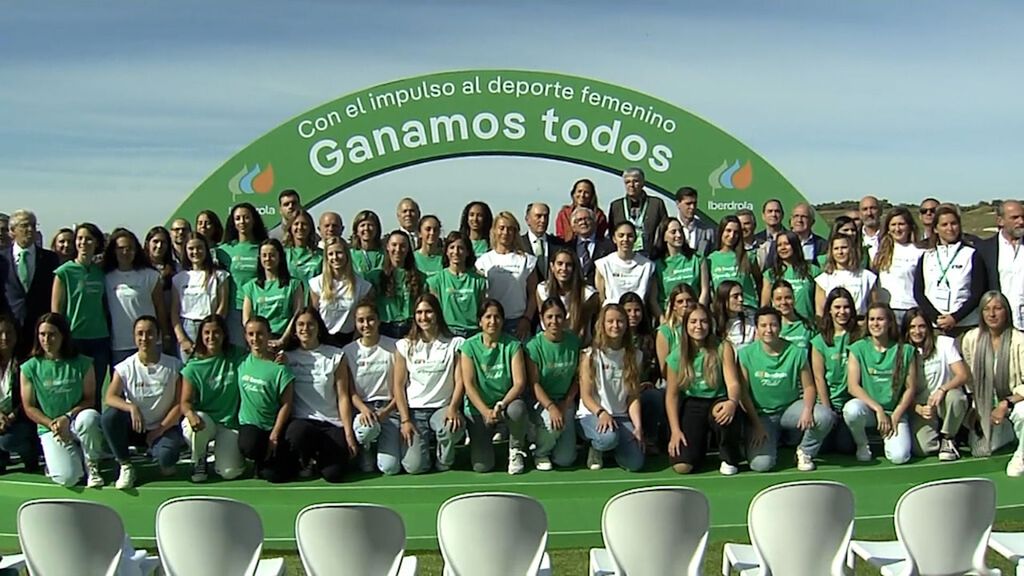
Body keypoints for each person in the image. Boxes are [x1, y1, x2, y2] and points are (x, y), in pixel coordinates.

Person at [665, 304, 759, 475]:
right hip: (693, 403)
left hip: (719, 399)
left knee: (723, 413)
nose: (698, 326)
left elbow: (733, 382)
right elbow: (671, 396)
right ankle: (699, 451)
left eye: (703, 321)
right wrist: (675, 430)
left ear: (710, 324)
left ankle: (729, 457)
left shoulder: (723, 347)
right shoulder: (676, 356)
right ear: (685, 325)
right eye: (693, 322)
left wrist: (732, 402)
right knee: (682, 467)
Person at [739, 307, 834, 472]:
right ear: (757, 328)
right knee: (761, 465)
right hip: (762, 416)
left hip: (789, 410)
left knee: (825, 416)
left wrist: (807, 409)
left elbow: (809, 386)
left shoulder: (795, 352)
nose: (769, 330)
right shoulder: (745, 354)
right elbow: (744, 395)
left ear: (780, 326)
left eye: (773, 325)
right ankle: (774, 439)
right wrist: (756, 425)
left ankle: (805, 451)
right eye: (763, 325)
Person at [20, 313, 104, 487]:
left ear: (63, 335)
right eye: (42, 335)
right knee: (69, 478)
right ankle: (59, 463)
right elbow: (29, 407)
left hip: (74, 420)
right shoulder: (29, 367)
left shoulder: (83, 363)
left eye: (52, 334)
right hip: (50, 428)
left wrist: (67, 418)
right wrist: (52, 424)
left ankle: (92, 465)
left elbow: (89, 399)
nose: (46, 340)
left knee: (90, 418)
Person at [101, 316, 184, 489]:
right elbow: (109, 397)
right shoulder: (125, 367)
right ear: (134, 337)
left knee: (166, 458)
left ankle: (159, 454)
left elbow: (179, 404)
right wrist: (131, 407)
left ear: (158, 336)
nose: (144, 338)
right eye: (140, 334)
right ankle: (125, 464)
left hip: (162, 427)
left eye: (150, 333)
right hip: (135, 426)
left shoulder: (174, 365)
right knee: (110, 417)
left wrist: (159, 430)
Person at [391, 294, 467, 474]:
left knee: (449, 428)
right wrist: (405, 420)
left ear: (437, 314)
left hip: (443, 408)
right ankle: (424, 455)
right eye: (419, 312)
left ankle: (444, 459)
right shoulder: (404, 345)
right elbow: (398, 386)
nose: (423, 317)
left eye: (428, 312)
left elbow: (460, 381)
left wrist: (453, 408)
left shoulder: (455, 343)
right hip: (415, 412)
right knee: (414, 467)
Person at [283, 307, 356, 483]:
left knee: (334, 475)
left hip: (331, 423)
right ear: (294, 329)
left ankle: (320, 458)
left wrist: (348, 433)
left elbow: (343, 396)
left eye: (310, 324)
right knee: (296, 434)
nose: (305, 329)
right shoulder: (286, 358)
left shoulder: (335, 355)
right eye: (300, 324)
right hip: (303, 422)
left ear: (318, 327)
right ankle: (305, 459)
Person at [460, 299, 529, 474]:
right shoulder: (468, 347)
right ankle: (485, 436)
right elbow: (468, 384)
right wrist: (485, 411)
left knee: (518, 410)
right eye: (487, 317)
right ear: (480, 321)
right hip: (479, 409)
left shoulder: (513, 345)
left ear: (503, 320)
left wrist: (501, 405)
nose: (493, 321)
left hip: (505, 404)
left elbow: (519, 383)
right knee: (482, 466)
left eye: (497, 317)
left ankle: (515, 449)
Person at [844, 303, 918, 464]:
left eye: (880, 319)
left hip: (894, 411)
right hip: (870, 410)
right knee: (851, 410)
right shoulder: (858, 348)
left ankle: (885, 436)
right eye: (871, 319)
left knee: (900, 457)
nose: (875, 323)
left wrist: (897, 414)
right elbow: (853, 386)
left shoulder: (905, 350)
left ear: (890, 322)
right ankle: (863, 444)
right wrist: (878, 409)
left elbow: (910, 388)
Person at [960, 291, 1024, 475]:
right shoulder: (971, 338)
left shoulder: (1019, 340)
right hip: (986, 405)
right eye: (987, 309)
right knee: (983, 450)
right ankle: (1011, 434)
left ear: (1007, 312)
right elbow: (970, 378)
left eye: (997, 308)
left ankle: (1021, 455)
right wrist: (977, 407)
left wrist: (1007, 403)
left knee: (1023, 412)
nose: (992, 314)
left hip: (1014, 402)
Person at [576, 303, 644, 472]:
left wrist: (638, 426)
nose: (615, 325)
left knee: (635, 463)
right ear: (602, 324)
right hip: (593, 414)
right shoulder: (590, 355)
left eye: (620, 321)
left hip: (620, 415)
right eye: (610, 321)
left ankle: (614, 448)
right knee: (607, 439)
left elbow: (633, 396)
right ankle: (597, 447)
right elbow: (586, 396)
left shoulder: (636, 355)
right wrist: (602, 413)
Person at [179, 314, 244, 483]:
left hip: (229, 423)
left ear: (224, 334)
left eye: (216, 332)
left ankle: (220, 451)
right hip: (205, 421)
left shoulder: (237, 355)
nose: (211, 337)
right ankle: (199, 458)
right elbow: (184, 402)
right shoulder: (193, 366)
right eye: (207, 333)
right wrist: (190, 414)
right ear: (201, 336)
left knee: (230, 472)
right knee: (192, 424)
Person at [902, 308, 968, 461]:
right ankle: (949, 431)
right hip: (921, 407)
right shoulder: (902, 351)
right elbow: (899, 390)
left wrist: (942, 389)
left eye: (922, 326)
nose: (917, 331)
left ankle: (949, 437)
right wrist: (917, 408)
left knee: (956, 397)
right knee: (923, 449)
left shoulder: (944, 343)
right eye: (912, 327)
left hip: (944, 399)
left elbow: (962, 375)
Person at [52, 222, 111, 392]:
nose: (83, 243)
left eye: (88, 239)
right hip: (74, 338)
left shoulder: (100, 272)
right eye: (79, 238)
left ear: (97, 243)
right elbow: (56, 311)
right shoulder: (63, 272)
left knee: (96, 389)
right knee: (76, 390)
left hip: (99, 339)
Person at [237, 316, 295, 482]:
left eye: (260, 334)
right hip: (250, 425)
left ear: (269, 335)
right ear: (246, 337)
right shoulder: (240, 361)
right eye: (251, 334)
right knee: (249, 446)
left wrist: (275, 434)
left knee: (275, 476)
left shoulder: (280, 368)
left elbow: (286, 404)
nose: (255, 338)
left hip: (272, 426)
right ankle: (259, 459)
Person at [343, 301, 399, 474]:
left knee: (390, 468)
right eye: (361, 320)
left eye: (370, 319)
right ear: (355, 323)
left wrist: (386, 411)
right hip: (363, 409)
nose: (366, 324)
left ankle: (380, 445)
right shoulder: (348, 350)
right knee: (367, 433)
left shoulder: (395, 346)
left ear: (379, 320)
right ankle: (366, 446)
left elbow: (401, 387)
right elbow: (350, 390)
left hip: (389, 409)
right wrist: (363, 410)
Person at [913, 204, 985, 335]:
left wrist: (955, 318)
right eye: (944, 225)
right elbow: (918, 292)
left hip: (965, 325)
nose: (950, 228)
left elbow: (978, 292)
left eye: (954, 224)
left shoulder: (971, 254)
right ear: (935, 229)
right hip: (935, 325)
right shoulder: (927, 256)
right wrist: (936, 318)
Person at [525, 298, 580, 471]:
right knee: (552, 423)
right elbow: (534, 383)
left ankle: (551, 439)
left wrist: (565, 403)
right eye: (549, 317)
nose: (554, 321)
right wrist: (551, 407)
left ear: (565, 317)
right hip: (541, 401)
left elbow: (578, 379)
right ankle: (540, 451)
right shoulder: (534, 346)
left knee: (565, 460)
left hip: (566, 401)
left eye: (558, 316)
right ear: (542, 318)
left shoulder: (574, 342)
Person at [1, 210, 59, 359]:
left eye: (33, 225)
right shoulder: (2, 260)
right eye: (25, 226)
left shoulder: (50, 259)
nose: (30, 230)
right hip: (11, 331)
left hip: (40, 331)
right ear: (12, 231)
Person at [103, 229, 166, 365]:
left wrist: (165, 335)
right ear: (114, 250)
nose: (125, 252)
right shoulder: (106, 277)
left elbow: (160, 308)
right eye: (120, 248)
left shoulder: (150, 276)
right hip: (121, 345)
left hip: (150, 341)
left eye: (129, 248)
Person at [810, 287, 860, 454]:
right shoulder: (819, 341)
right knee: (824, 448)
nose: (842, 312)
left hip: (852, 403)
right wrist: (827, 410)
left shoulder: (860, 335)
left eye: (846, 307)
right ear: (829, 310)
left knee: (845, 447)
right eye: (837, 307)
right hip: (830, 402)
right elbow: (819, 378)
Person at [476, 212, 538, 339]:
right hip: (492, 322)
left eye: (510, 229)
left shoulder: (527, 260)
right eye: (502, 228)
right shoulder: (483, 261)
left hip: (518, 322)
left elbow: (534, 294)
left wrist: (527, 319)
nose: (505, 232)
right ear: (494, 230)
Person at [170, 234, 230, 360]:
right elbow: (174, 312)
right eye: (191, 249)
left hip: (211, 327)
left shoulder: (220, 276)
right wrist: (182, 339)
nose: (195, 252)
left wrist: (213, 330)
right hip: (187, 328)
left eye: (199, 248)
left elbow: (223, 306)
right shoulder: (179, 278)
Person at [309, 237, 372, 347]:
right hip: (324, 340)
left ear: (347, 254)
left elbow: (363, 318)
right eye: (331, 254)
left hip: (350, 339)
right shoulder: (317, 283)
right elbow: (313, 316)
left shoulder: (362, 286)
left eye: (339, 253)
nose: (335, 257)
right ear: (326, 257)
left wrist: (354, 344)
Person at [220, 202, 269, 346]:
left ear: (254, 220)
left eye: (246, 217)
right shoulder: (224, 251)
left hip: (261, 307)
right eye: (238, 218)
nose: (242, 222)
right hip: (234, 309)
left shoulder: (264, 247)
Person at [241, 239, 304, 347]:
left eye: (272, 255)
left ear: (280, 257)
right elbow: (246, 318)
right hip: (260, 342)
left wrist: (283, 340)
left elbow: (297, 315)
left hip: (286, 341)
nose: (268, 259)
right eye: (264, 255)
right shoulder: (251, 286)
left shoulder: (294, 284)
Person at [427, 232, 487, 338]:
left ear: (467, 252)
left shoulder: (479, 281)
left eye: (460, 248)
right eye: (452, 247)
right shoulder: (436, 280)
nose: (456, 252)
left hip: (473, 332)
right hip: (448, 332)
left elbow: (482, 309)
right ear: (446, 251)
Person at [975, 200, 1024, 329]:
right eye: (1015, 218)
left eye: (1023, 217)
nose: (1021, 222)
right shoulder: (984, 249)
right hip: (999, 326)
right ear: (1000, 221)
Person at [0, 314, 39, 473]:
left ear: (16, 335)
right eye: (0, 333)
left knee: (7, 441)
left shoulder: (26, 363)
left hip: (21, 420)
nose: (4, 337)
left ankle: (30, 454)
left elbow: (30, 401)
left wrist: (10, 417)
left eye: (9, 332)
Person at [872, 207, 924, 325]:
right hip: (887, 310)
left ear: (909, 226)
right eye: (893, 224)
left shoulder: (920, 252)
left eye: (901, 224)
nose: (897, 228)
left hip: (911, 309)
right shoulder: (878, 251)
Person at [367, 231, 423, 338]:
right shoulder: (375, 276)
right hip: (385, 327)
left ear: (408, 249)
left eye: (402, 246)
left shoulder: (419, 276)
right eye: (394, 245)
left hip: (410, 327)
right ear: (387, 247)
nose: (398, 249)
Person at [535, 247, 598, 343]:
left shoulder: (588, 294)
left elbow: (582, 329)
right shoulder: (543, 289)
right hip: (551, 340)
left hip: (578, 342)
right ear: (552, 267)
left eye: (568, 265)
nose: (564, 268)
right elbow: (544, 321)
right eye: (560, 264)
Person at [652, 217, 709, 313]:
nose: (678, 235)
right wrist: (663, 320)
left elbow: (705, 291)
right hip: (669, 317)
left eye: (680, 231)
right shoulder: (657, 264)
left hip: (693, 316)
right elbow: (653, 299)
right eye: (673, 232)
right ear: (664, 236)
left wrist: (698, 313)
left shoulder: (697, 259)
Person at [607, 167, 669, 256]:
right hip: (625, 257)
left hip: (652, 256)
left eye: (635, 181)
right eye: (627, 182)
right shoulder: (616, 206)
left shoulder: (656, 204)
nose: (631, 185)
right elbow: (611, 233)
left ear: (643, 183)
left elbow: (665, 230)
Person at [815, 232, 877, 319]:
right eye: (836, 248)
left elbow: (874, 306)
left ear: (851, 249)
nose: (840, 252)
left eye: (844, 248)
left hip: (860, 323)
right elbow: (820, 310)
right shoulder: (823, 279)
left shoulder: (866, 276)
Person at [594, 221, 656, 308]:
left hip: (638, 315)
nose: (625, 239)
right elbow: (601, 299)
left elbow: (652, 300)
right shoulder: (603, 264)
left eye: (630, 236)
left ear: (635, 238)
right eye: (621, 235)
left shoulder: (648, 266)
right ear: (614, 239)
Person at [762, 230, 819, 321]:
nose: (783, 248)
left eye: (786, 244)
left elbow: (820, 306)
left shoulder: (813, 270)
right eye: (779, 245)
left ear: (795, 245)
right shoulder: (770, 274)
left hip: (806, 326)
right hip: (780, 327)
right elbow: (765, 306)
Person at [708, 215, 760, 311]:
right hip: (722, 312)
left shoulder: (748, 257)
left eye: (736, 232)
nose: (732, 235)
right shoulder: (711, 259)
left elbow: (760, 283)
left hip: (747, 309)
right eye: (728, 231)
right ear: (721, 232)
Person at [655, 283, 698, 376]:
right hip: (675, 380)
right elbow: (664, 370)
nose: (685, 304)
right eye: (680, 301)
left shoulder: (701, 327)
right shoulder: (665, 331)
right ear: (673, 305)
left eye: (689, 300)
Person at [567, 206, 614, 286]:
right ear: (573, 227)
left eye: (587, 219)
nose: (583, 222)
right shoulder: (567, 247)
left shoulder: (609, 246)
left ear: (595, 223)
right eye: (579, 220)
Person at [521, 202, 564, 281]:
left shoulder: (559, 244)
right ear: (527, 220)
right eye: (538, 216)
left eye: (546, 216)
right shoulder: (518, 244)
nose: (543, 220)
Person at [771, 279, 816, 352]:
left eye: (788, 298)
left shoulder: (808, 327)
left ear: (794, 299)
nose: (783, 302)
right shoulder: (770, 328)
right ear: (772, 302)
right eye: (779, 299)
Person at [713, 280, 756, 352]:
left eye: (741, 295)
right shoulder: (714, 322)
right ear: (724, 299)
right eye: (735, 297)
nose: (741, 299)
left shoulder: (752, 317)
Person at [283, 210, 323, 284]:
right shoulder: (283, 254)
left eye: (304, 224)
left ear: (310, 228)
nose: (300, 227)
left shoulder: (321, 255)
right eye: (296, 224)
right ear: (290, 228)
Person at [675, 186, 716, 255]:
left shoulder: (708, 231)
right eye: (688, 204)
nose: (692, 207)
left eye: (694, 203)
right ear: (678, 204)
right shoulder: (669, 228)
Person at [349, 210, 385, 277]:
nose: (366, 228)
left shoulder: (384, 255)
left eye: (370, 225)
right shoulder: (349, 255)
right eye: (362, 225)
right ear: (356, 230)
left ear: (377, 229)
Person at [859, 195, 883, 260]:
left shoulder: (890, 235)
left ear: (880, 211)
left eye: (873, 208)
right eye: (865, 209)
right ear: (860, 214)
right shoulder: (855, 237)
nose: (869, 213)